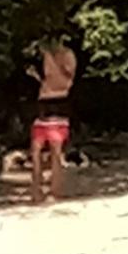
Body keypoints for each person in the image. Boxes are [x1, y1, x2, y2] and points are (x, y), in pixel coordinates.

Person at [29, 37, 78, 205]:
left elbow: (61, 81)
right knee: (36, 152)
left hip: (57, 109)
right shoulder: (49, 61)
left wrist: (50, 57)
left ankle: (54, 191)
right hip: (43, 109)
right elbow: (48, 80)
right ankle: (37, 189)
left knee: (55, 154)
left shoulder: (64, 58)